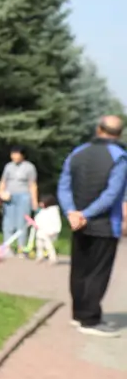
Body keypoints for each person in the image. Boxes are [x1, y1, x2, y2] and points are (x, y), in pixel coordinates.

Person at [57, 115, 126, 337]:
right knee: (98, 272)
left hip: (78, 224)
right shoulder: (120, 157)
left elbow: (64, 185)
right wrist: (86, 214)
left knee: (79, 270)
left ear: (98, 129)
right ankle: (90, 319)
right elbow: (112, 194)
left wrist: (72, 212)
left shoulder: (77, 152)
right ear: (120, 133)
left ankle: (78, 314)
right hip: (105, 225)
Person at [0, 146, 38, 257]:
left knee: (22, 223)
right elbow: (3, 182)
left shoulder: (29, 167)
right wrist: (0, 193)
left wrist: (34, 202)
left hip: (24, 197)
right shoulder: (8, 167)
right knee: (8, 222)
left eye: (17, 154)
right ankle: (7, 248)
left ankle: (21, 248)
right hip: (9, 197)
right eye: (13, 154)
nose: (14, 156)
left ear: (22, 155)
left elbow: (32, 185)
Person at [30, 194, 61, 264]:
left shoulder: (53, 211)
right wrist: (34, 223)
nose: (40, 204)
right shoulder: (42, 211)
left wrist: (54, 230)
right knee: (39, 244)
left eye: (42, 202)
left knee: (48, 244)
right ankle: (39, 256)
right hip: (41, 231)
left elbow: (56, 222)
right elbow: (39, 219)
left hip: (49, 231)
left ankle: (53, 258)